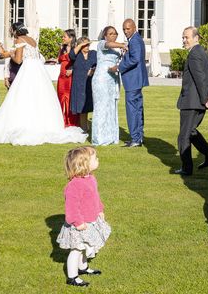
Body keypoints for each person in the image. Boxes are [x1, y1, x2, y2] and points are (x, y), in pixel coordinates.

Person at [0, 22, 87, 145]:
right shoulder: (32, 40)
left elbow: (18, 60)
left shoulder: (19, 39)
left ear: (14, 31)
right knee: (39, 97)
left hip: (28, 69)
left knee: (22, 97)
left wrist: (12, 54)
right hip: (38, 70)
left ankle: (25, 124)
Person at [56, 146, 111, 287]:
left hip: (91, 221)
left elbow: (95, 197)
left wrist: (99, 210)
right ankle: (72, 277)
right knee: (76, 249)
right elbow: (72, 208)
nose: (98, 159)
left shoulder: (91, 179)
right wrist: (78, 222)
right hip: (79, 224)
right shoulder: (74, 186)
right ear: (84, 163)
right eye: (95, 158)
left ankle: (83, 268)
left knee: (85, 247)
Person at [174, 26, 208, 176]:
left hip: (192, 102)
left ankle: (187, 168)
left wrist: (206, 98)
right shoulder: (203, 53)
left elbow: (201, 78)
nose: (184, 40)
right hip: (197, 101)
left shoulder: (194, 54)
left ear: (196, 38)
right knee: (191, 132)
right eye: (183, 37)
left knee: (183, 136)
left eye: (186, 37)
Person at [110, 19, 148, 148]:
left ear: (134, 27)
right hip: (136, 80)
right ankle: (138, 136)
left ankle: (136, 138)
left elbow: (135, 59)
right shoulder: (135, 39)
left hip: (133, 80)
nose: (126, 31)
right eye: (124, 29)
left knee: (132, 110)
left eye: (128, 29)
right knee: (137, 109)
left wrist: (119, 67)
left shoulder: (135, 40)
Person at [92, 27, 126, 146]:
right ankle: (100, 138)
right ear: (105, 36)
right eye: (110, 34)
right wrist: (122, 45)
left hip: (113, 79)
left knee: (111, 107)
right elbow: (109, 44)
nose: (113, 35)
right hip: (102, 79)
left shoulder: (116, 49)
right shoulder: (101, 44)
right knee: (101, 107)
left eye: (115, 33)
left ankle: (111, 136)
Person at [70, 37, 97, 133]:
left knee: (90, 105)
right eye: (85, 45)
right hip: (79, 83)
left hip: (90, 83)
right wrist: (80, 45)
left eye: (88, 44)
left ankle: (88, 128)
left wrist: (94, 70)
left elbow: (98, 63)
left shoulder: (93, 53)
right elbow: (71, 55)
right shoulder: (77, 55)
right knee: (81, 107)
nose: (87, 46)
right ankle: (84, 128)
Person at [58, 29, 81, 128]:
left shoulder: (76, 49)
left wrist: (72, 70)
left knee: (70, 99)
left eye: (64, 36)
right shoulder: (62, 48)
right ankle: (61, 121)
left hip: (70, 77)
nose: (63, 38)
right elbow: (59, 59)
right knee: (60, 98)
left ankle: (71, 122)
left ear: (71, 38)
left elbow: (79, 63)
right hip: (61, 78)